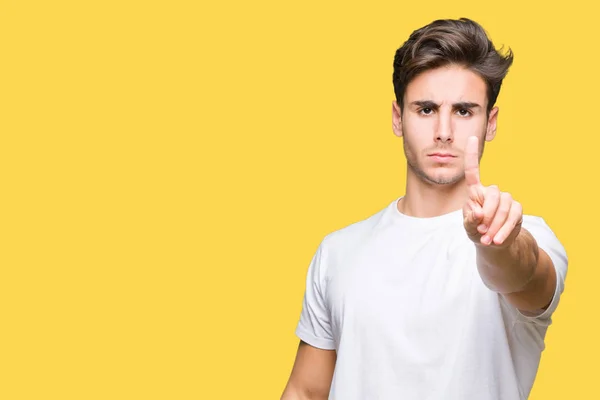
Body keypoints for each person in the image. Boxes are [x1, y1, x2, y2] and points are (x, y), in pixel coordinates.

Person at [280, 17, 568, 400]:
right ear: (399, 118)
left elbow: (525, 276)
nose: (444, 131)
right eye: (426, 109)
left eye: (464, 111)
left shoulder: (522, 234)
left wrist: (497, 244)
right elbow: (305, 391)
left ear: (490, 122)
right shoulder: (337, 252)